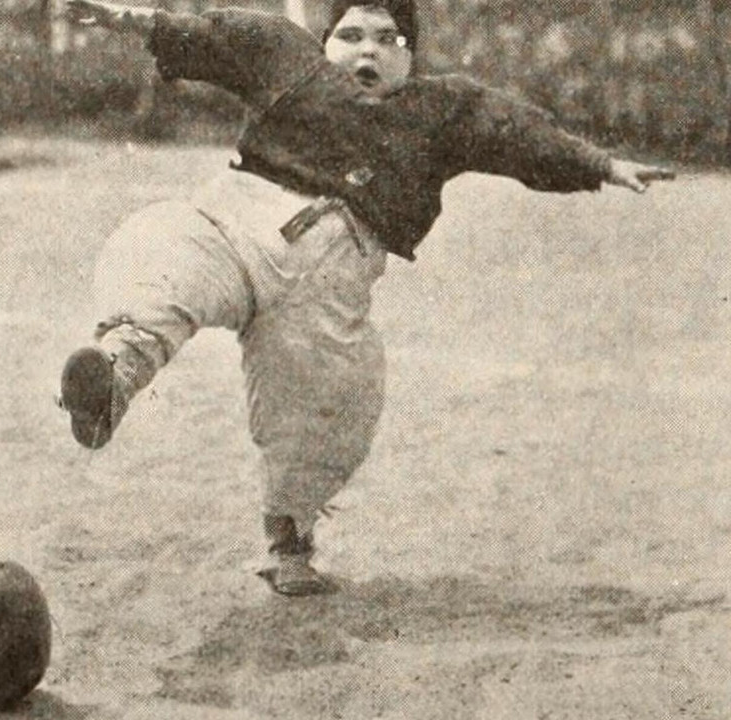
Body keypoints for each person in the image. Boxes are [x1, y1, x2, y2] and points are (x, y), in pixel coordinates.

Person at [58, 0, 674, 595]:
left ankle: (289, 543)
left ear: (412, 58)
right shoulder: (289, 59)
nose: (368, 50)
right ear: (328, 43)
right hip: (236, 225)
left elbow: (518, 133)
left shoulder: (442, 109)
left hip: (331, 280)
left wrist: (598, 164)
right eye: (351, 35)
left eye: (387, 39)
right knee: (163, 254)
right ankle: (112, 381)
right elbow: (212, 37)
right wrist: (133, 19)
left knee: (330, 406)